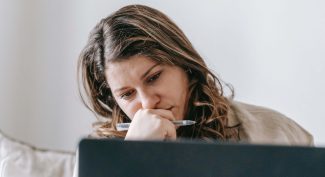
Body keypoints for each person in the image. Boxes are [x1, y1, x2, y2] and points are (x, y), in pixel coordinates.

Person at [77, 4, 313, 145]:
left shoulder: (275, 132)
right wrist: (134, 158)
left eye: (153, 77)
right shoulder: (97, 159)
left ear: (184, 65)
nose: (148, 102)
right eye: (128, 94)